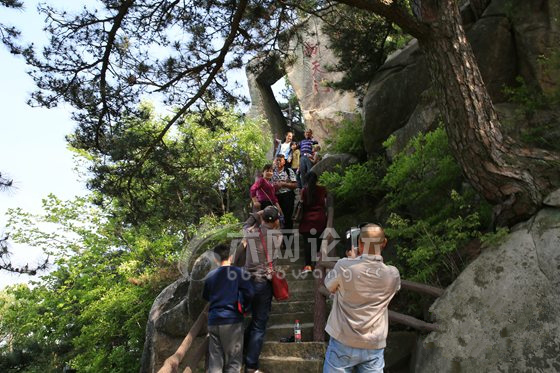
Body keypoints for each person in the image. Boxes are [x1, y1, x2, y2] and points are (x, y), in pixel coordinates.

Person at [323, 224, 401, 373]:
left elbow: (328, 285)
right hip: (374, 342)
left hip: (343, 339)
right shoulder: (393, 274)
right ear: (384, 243)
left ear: (359, 243)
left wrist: (352, 261)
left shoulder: (343, 266)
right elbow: (394, 289)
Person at [243, 206, 283, 373]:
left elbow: (246, 225)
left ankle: (240, 352)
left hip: (245, 282)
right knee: (259, 324)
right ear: (275, 221)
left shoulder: (251, 232)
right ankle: (251, 366)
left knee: (247, 319)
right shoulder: (278, 236)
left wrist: (255, 215)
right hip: (262, 283)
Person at [203, 244, 254, 373]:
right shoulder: (239, 273)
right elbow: (250, 293)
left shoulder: (210, 276)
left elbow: (206, 296)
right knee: (234, 362)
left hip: (214, 320)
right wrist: (245, 306)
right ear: (231, 257)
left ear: (215, 259)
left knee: (215, 362)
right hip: (232, 320)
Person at [298, 171, 327, 274]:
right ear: (316, 179)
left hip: (307, 220)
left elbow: (302, 204)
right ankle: (318, 264)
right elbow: (325, 203)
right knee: (319, 242)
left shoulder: (304, 191)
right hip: (320, 219)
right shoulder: (322, 189)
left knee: (307, 244)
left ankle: (308, 265)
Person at [272, 154, 297, 231]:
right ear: (275, 161)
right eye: (277, 160)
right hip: (276, 197)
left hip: (288, 196)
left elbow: (295, 185)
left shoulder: (289, 171)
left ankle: (288, 238)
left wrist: (284, 184)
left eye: (280, 160)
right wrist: (275, 186)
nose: (278, 161)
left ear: (284, 162)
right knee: (277, 217)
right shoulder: (271, 172)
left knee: (288, 216)